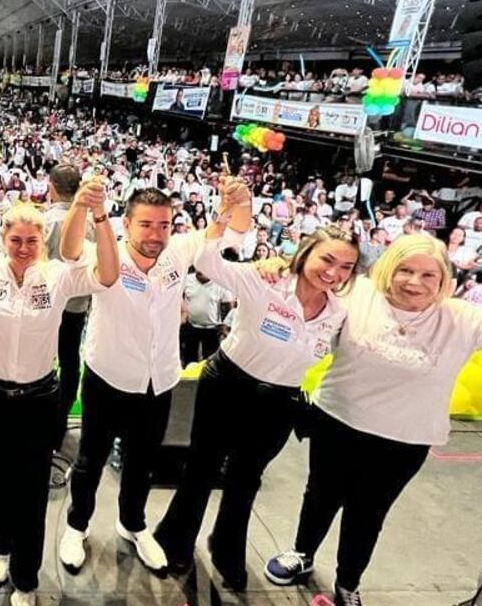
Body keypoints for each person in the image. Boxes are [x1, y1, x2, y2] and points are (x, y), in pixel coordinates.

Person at [263, 234, 482, 606]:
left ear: (444, 278)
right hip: (336, 421)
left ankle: (348, 582)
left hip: (404, 441)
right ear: (387, 269)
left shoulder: (464, 319)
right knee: (320, 495)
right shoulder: (358, 294)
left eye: (428, 275)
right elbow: (309, 276)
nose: (414, 282)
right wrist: (273, 266)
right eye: (405, 270)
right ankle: (301, 553)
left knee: (368, 513)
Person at [0, 167, 117, 606]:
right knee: (1, 473)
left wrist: (102, 216)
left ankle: (26, 578)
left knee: (31, 488)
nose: (25, 249)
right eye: (16, 240)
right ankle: (1, 544)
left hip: (39, 397)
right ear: (3, 238)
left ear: (41, 242)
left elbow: (107, 275)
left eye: (32, 241)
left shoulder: (58, 276)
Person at [156, 212, 361, 592]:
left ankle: (226, 547)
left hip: (279, 403)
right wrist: (252, 245)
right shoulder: (264, 280)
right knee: (201, 469)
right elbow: (205, 260)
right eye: (327, 260)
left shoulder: (339, 314)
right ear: (304, 253)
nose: (334, 272)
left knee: (246, 480)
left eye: (346, 266)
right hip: (227, 385)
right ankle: (175, 540)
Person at [57, 181, 249, 577]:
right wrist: (81, 207)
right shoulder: (105, 254)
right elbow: (70, 250)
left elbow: (232, 231)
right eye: (146, 225)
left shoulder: (177, 253)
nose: (155, 234)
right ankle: (77, 525)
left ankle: (132, 524)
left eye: (164, 225)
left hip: (158, 380)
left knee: (143, 463)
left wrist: (236, 201)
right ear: (126, 225)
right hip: (107, 375)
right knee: (90, 460)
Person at [40, 163, 89, 452]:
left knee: (40, 364)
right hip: (77, 306)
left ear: (52, 188)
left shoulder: (47, 221)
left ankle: (40, 425)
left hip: (47, 304)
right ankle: (57, 427)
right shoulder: (91, 221)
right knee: (69, 364)